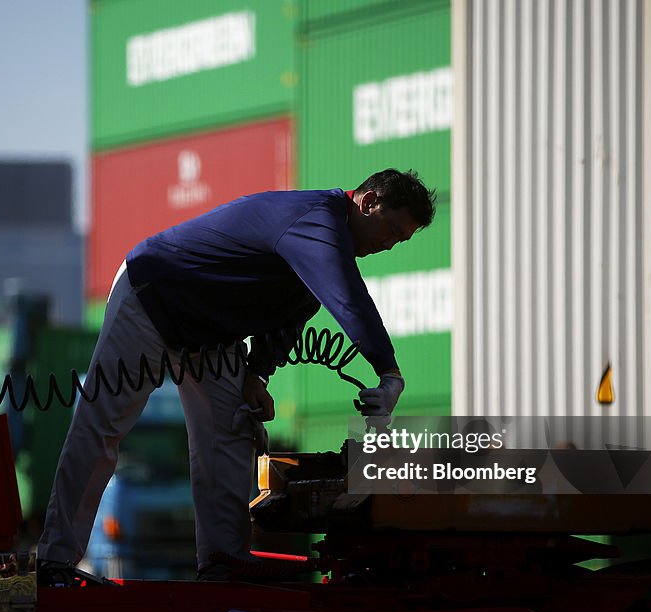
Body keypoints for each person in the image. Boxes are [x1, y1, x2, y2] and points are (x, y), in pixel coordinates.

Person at [37, 168, 436, 585]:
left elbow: (284, 320)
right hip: (154, 297)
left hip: (211, 335)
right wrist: (388, 371)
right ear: (367, 202)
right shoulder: (317, 219)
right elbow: (349, 297)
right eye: (391, 230)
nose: (388, 245)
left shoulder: (320, 249)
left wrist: (256, 376)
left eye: (400, 240)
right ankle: (55, 561)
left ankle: (221, 561)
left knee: (230, 432)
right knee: (101, 427)